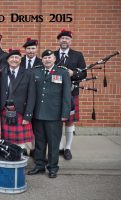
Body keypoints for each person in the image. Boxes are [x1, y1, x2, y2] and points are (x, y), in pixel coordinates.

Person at [28, 49, 71, 178]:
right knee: (40, 142)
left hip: (54, 114)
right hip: (38, 114)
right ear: (42, 59)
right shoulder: (36, 71)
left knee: (53, 143)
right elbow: (31, 94)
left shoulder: (62, 72)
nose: (47, 60)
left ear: (54, 59)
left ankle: (53, 168)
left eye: (50, 57)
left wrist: (65, 113)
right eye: (45, 58)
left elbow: (66, 95)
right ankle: (40, 165)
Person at [54, 28, 87, 160]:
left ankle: (67, 148)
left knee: (69, 121)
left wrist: (73, 73)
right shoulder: (53, 55)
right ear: (59, 40)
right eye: (62, 38)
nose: (64, 40)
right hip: (55, 94)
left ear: (70, 41)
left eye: (67, 38)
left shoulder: (77, 55)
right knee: (56, 121)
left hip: (72, 92)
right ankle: (60, 146)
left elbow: (84, 73)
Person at [0, 49, 35, 154]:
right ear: (7, 60)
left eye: (16, 58)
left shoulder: (28, 73)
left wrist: (27, 116)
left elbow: (31, 96)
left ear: (20, 60)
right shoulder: (1, 72)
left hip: (20, 111)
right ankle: (9, 157)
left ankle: (20, 160)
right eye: (11, 58)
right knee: (7, 140)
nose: (14, 60)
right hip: (4, 111)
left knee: (21, 142)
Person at [20, 37, 42, 157]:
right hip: (22, 98)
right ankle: (23, 147)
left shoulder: (41, 62)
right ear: (25, 50)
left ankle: (34, 148)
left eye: (33, 48)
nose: (30, 51)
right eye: (28, 48)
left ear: (36, 49)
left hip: (37, 97)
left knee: (35, 125)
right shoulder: (20, 61)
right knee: (22, 123)